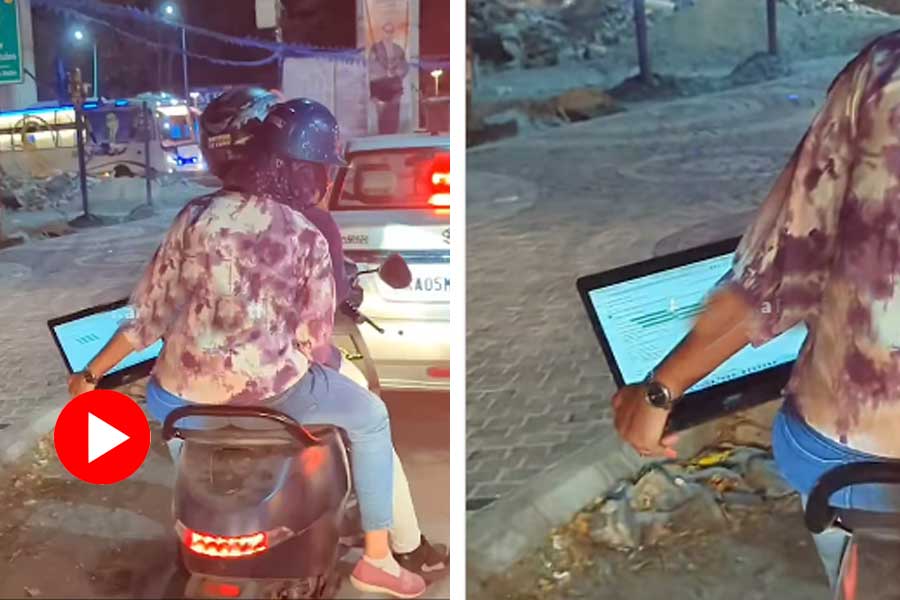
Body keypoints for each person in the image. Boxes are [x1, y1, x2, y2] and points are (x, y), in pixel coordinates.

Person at [67, 87, 425, 599]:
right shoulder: (307, 234)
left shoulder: (192, 216)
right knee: (370, 418)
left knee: (175, 423)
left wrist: (92, 374)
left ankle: (198, 517)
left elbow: (143, 314)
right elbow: (314, 340)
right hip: (273, 398)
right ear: (309, 172)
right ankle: (378, 559)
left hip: (179, 400)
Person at [611, 33, 900, 590]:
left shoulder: (884, 75)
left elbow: (785, 265)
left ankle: (852, 566)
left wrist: (659, 392)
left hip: (851, 454)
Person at [255, 98, 449, 580]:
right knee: (371, 420)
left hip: (222, 368)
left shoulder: (233, 213)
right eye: (323, 168)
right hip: (289, 368)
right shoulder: (314, 224)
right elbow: (327, 304)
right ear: (311, 170)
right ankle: (402, 546)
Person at [368, 22, 409, 134]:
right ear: (383, 32)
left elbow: (405, 66)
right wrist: (385, 73)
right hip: (379, 87)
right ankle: (382, 136)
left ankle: (393, 136)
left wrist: (396, 72)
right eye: (386, 31)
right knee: (381, 117)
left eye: (391, 31)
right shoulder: (375, 48)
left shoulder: (398, 49)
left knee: (394, 116)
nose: (388, 34)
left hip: (394, 87)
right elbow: (371, 66)